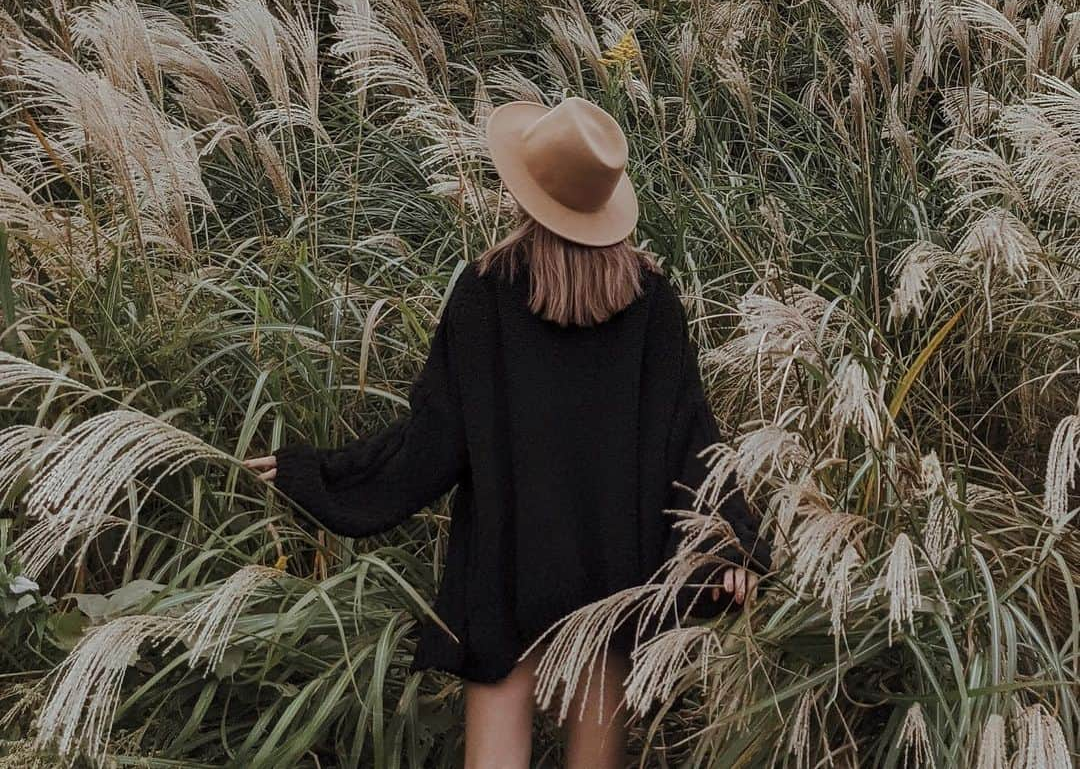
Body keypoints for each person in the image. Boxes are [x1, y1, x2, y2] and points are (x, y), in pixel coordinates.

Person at [244, 95, 773, 769]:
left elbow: (429, 445)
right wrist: (734, 544)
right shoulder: (653, 304)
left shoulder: (485, 291)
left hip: (503, 566)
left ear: (527, 191)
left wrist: (316, 474)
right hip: (612, 575)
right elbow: (693, 440)